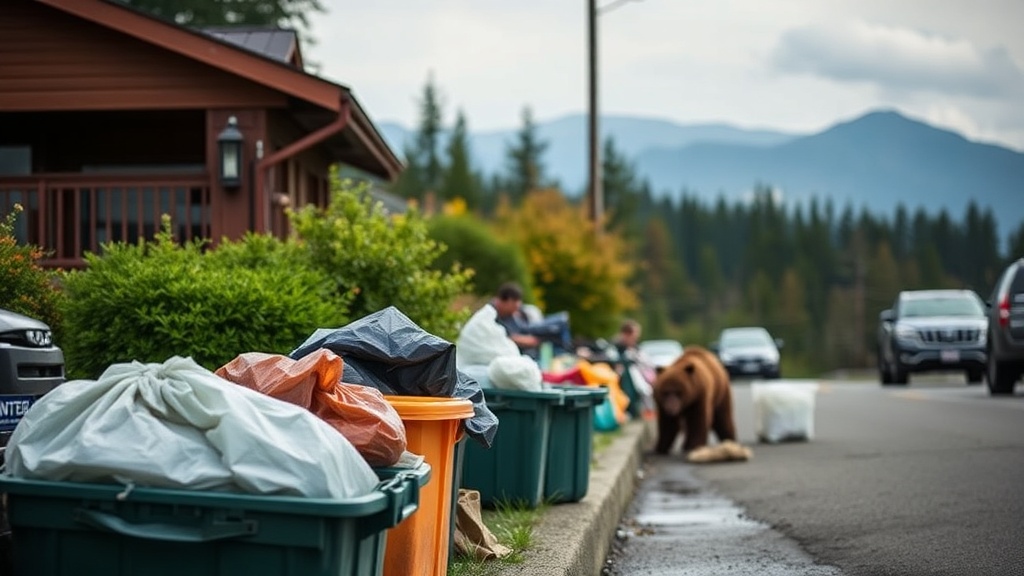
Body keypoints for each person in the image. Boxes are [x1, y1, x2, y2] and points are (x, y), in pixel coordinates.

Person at [489, 282, 540, 353]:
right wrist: (530, 340)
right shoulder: (491, 315)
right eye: (515, 304)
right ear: (507, 301)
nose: (518, 307)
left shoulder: (514, 313)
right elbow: (505, 337)